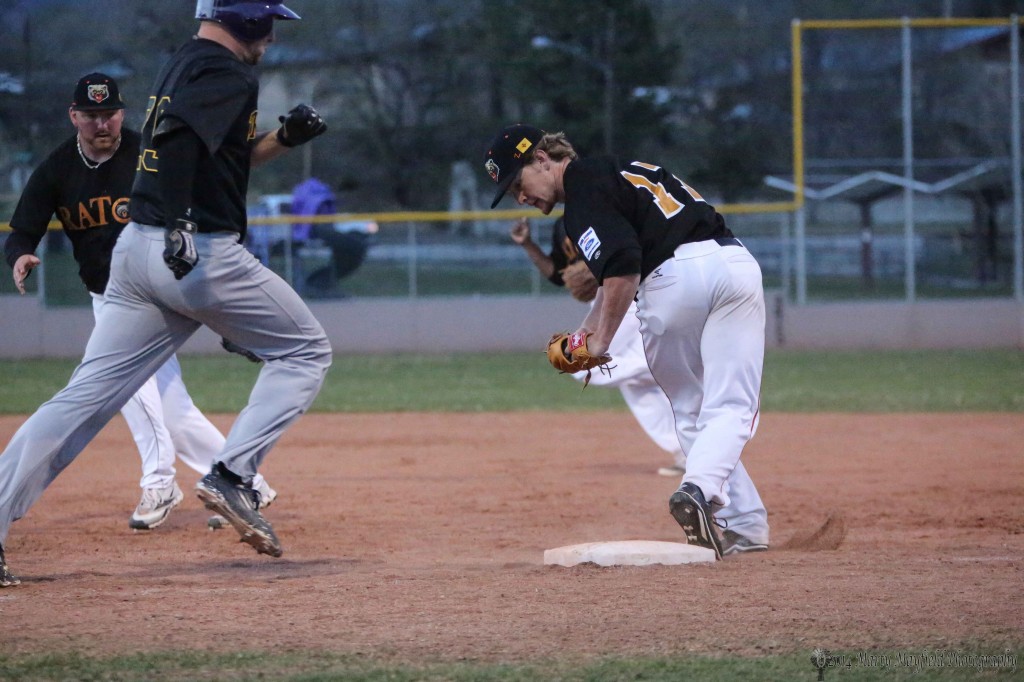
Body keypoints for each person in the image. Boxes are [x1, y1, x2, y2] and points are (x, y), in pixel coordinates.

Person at [0, 0, 332, 588]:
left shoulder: (181, 62)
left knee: (81, 401)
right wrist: (181, 222)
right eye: (270, 21)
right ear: (248, 18)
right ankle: (231, 475)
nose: (274, 36)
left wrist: (283, 137)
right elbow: (179, 140)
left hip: (135, 255)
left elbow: (220, 157)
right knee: (306, 351)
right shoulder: (227, 71)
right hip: (194, 248)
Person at [3, 72, 276, 533]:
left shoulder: (146, 155)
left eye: (108, 113)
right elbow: (23, 227)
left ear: (122, 113)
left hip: (159, 290)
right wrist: (21, 254)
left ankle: (159, 482)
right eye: (90, 115)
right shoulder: (56, 169)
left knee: (127, 389)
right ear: (74, 117)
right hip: (106, 298)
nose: (101, 123)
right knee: (171, 406)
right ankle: (249, 482)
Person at [485, 124, 770, 560]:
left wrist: (599, 342)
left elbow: (622, 266)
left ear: (542, 159)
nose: (520, 198)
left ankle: (698, 489)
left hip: (674, 282)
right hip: (734, 263)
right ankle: (745, 526)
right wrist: (587, 330)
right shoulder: (623, 168)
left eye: (517, 183)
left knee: (692, 409)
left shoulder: (580, 198)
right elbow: (615, 273)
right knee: (732, 405)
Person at [509, 217, 686, 476]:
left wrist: (603, 274)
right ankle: (686, 451)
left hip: (627, 298)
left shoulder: (602, 211)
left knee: (578, 365)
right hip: (602, 304)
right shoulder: (564, 225)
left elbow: (627, 253)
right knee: (635, 386)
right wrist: (528, 244)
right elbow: (558, 275)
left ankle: (667, 363)